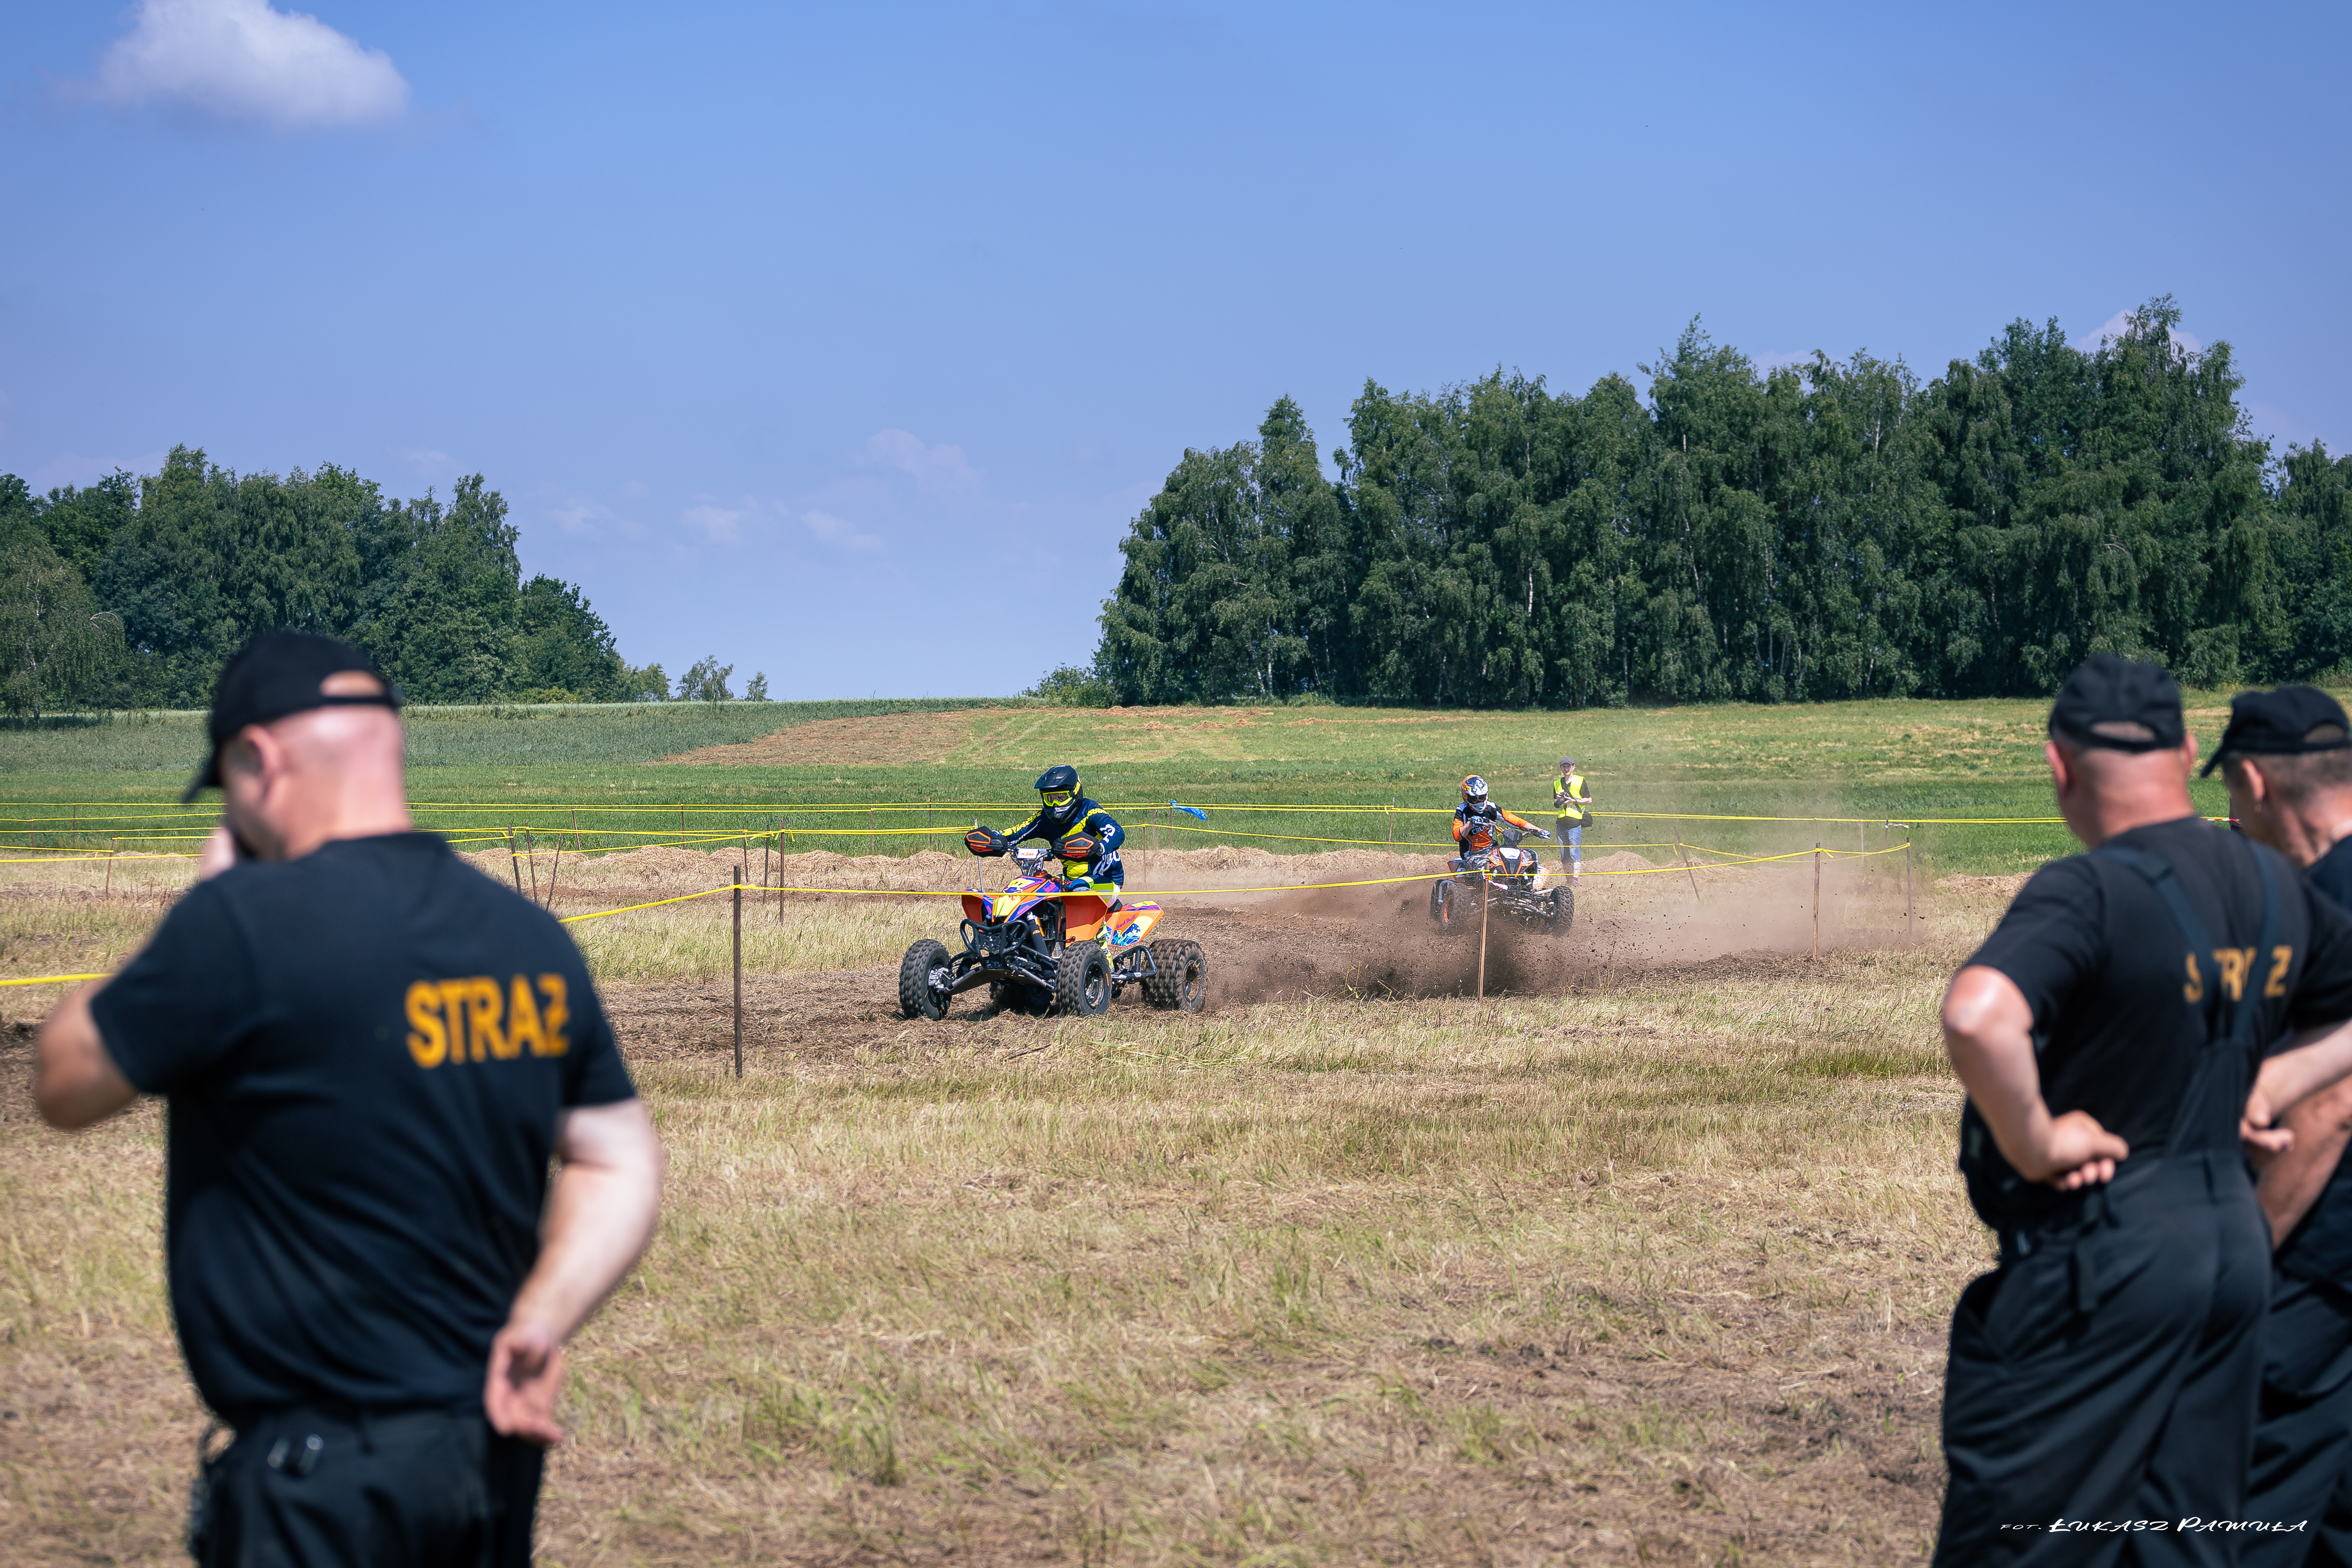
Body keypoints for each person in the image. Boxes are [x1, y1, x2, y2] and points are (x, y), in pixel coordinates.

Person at [31, 631, 664, 1568]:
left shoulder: (240, 923)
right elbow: (620, 1159)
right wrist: (539, 1319)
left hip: (320, 1488)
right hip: (486, 1457)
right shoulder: (529, 939)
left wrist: (205, 906)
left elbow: (63, 1083)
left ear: (257, 760)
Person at [1934, 654, 2352, 1564]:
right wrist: (2270, 1083)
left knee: (2022, 1537)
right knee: (2183, 1542)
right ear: (2187, 747)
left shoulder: (2090, 887)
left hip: (2106, 1250)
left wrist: (2037, 1139)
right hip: (2235, 1256)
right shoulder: (2276, 885)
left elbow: (1977, 1013)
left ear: (2058, 767)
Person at [2213, 686, 2352, 1565]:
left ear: (2255, 782)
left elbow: (2332, 1106)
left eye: (2225, 790)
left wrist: (2245, 1254)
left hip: (2315, 1260)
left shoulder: (2327, 900)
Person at [976, 764, 1127, 891]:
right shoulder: (1044, 819)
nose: (1055, 804)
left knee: (1080, 889)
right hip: (1069, 880)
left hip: (1106, 880)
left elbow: (1117, 832)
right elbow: (1016, 832)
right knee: (1032, 886)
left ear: (1075, 792)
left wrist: (1100, 847)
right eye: (1050, 799)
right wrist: (993, 838)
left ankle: (1102, 926)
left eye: (1061, 798)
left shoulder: (1091, 812)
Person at [1452, 775, 1550, 859]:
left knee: (1530, 856)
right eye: (1474, 799)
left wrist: (1539, 830)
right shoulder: (1462, 811)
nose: (1478, 802)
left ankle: (1530, 880)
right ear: (1466, 796)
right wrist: (1471, 824)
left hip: (1492, 850)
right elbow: (1457, 836)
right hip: (1472, 855)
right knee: (1487, 867)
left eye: (1481, 798)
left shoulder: (1491, 808)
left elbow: (1514, 820)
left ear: (1486, 796)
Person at [1554, 756, 1593, 878]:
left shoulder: (1580, 781)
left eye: (1568, 767)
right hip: (1561, 822)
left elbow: (1589, 800)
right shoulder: (1557, 783)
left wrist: (1573, 800)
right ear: (1561, 768)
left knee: (1574, 851)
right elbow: (1555, 803)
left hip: (1575, 822)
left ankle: (1575, 878)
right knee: (1564, 853)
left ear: (1573, 767)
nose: (1566, 769)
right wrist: (1559, 798)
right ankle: (1568, 878)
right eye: (1564, 766)